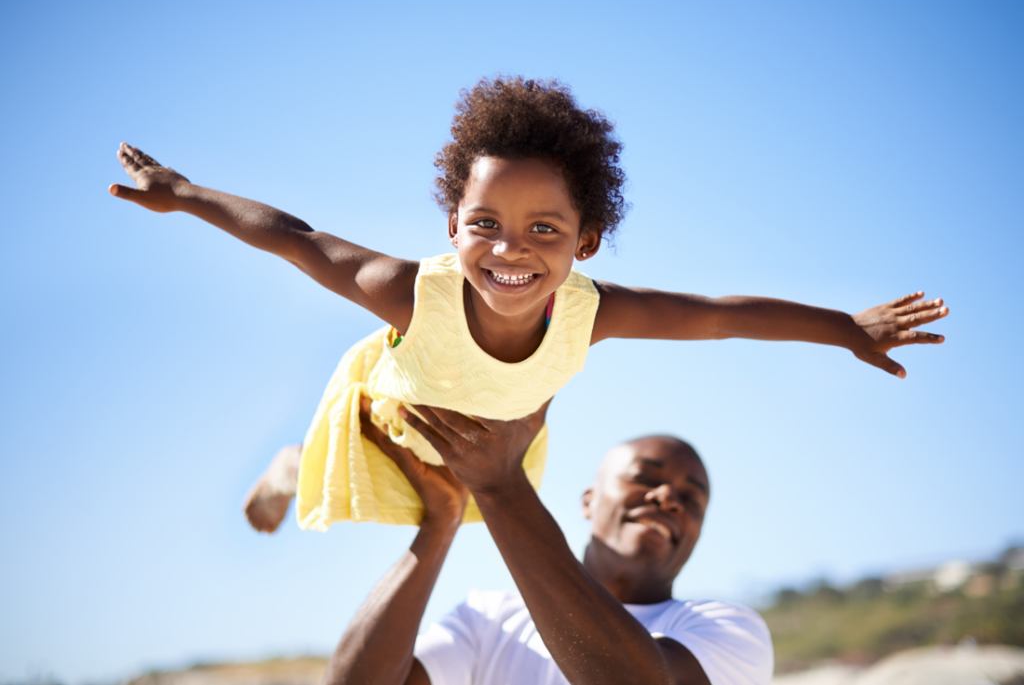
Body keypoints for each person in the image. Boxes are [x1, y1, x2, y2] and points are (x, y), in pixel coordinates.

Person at [109, 77, 948, 533]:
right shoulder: (410, 291)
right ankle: (298, 464)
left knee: (453, 507)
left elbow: (718, 315)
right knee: (363, 480)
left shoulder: (590, 310)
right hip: (388, 422)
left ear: (587, 240)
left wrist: (843, 328)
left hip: (495, 443)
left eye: (544, 228)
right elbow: (297, 238)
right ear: (453, 223)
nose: (511, 249)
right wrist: (185, 194)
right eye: (487, 224)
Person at [321, 398, 773, 685]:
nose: (668, 498)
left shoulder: (727, 631)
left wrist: (502, 486)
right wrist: (441, 523)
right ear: (589, 500)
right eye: (644, 478)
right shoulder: (489, 620)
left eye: (691, 500)